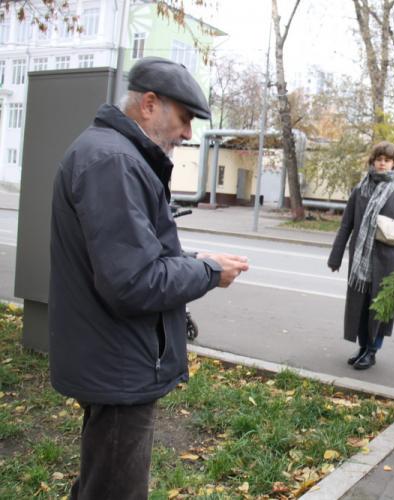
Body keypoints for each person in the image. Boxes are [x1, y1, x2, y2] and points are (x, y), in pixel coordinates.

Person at [48, 57, 249, 500]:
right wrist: (209, 271)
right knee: (115, 488)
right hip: (119, 362)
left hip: (113, 355)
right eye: (184, 119)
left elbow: (137, 255)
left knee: (103, 477)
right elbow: (134, 281)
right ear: (149, 105)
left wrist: (197, 258)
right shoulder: (113, 162)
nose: (187, 134)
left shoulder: (114, 154)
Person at [328, 141, 394, 370]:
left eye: (387, 160)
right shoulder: (360, 190)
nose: (382, 163)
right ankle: (362, 346)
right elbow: (346, 225)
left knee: (379, 309)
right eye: (379, 159)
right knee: (360, 306)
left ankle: (372, 350)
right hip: (360, 263)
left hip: (387, 264)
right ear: (372, 161)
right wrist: (335, 256)